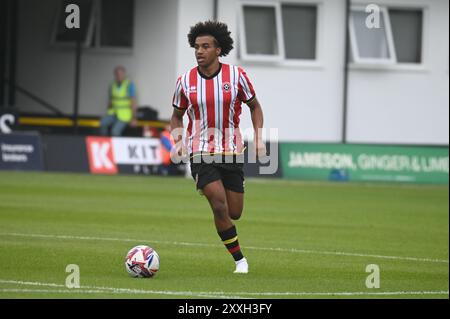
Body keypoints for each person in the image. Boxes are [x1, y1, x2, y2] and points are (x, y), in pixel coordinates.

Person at [170, 21, 266, 274]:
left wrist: (259, 137)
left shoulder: (236, 76)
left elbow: (255, 106)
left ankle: (219, 190)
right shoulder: (185, 81)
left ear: (218, 49)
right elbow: (176, 115)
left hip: (232, 150)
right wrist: (178, 140)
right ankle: (240, 261)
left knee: (234, 212)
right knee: (219, 205)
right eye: (196, 47)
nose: (199, 51)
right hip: (201, 150)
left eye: (205, 46)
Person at [100, 66, 137, 136]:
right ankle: (106, 142)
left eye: (121, 74)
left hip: (125, 115)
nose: (119, 76)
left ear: (124, 74)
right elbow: (110, 100)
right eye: (117, 74)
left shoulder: (129, 85)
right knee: (103, 123)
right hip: (113, 113)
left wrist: (133, 118)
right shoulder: (112, 85)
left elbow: (133, 102)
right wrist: (108, 109)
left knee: (115, 131)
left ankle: (117, 146)